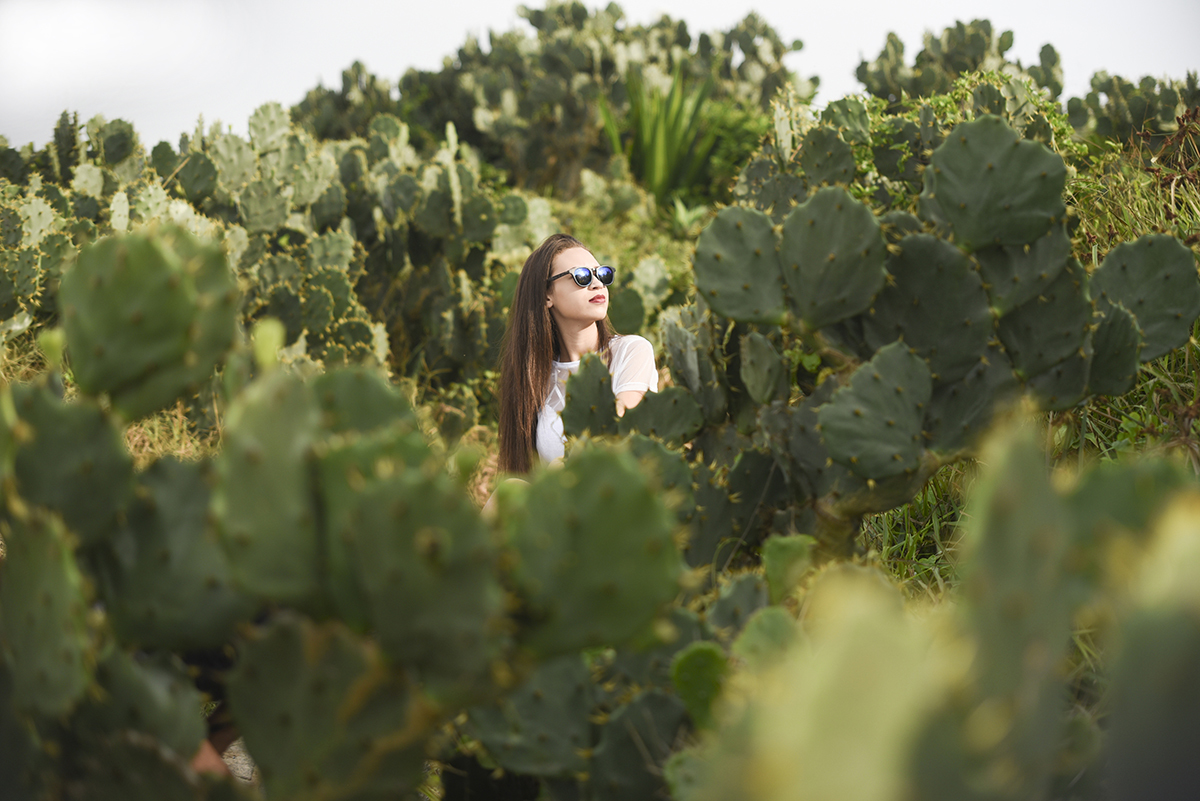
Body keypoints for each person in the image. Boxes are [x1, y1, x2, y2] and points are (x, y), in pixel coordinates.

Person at [497, 233, 658, 474]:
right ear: (546, 295)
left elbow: (619, 431)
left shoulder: (631, 351)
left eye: (602, 274)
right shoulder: (536, 377)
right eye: (581, 276)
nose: (597, 284)